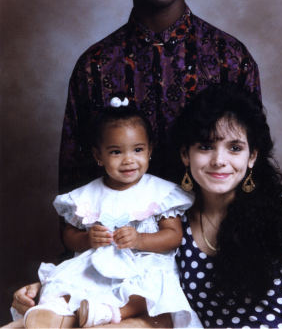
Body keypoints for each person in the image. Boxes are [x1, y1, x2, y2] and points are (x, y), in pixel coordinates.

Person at [59, 0, 261, 193]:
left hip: (214, 232)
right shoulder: (95, 65)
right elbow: (73, 175)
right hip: (122, 233)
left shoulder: (229, 57)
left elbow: (255, 159)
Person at [13, 101, 198, 328]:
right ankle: (56, 313)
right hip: (98, 263)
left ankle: (109, 312)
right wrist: (87, 239)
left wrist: (140, 240)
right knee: (68, 281)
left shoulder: (160, 193)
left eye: (137, 150)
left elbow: (173, 235)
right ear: (98, 156)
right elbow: (69, 234)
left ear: (150, 150)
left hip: (144, 263)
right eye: (116, 152)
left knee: (149, 290)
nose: (128, 159)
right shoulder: (88, 195)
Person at [171, 84, 282, 328]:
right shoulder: (171, 224)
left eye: (234, 148)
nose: (219, 161)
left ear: (252, 156)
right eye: (205, 147)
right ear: (186, 154)